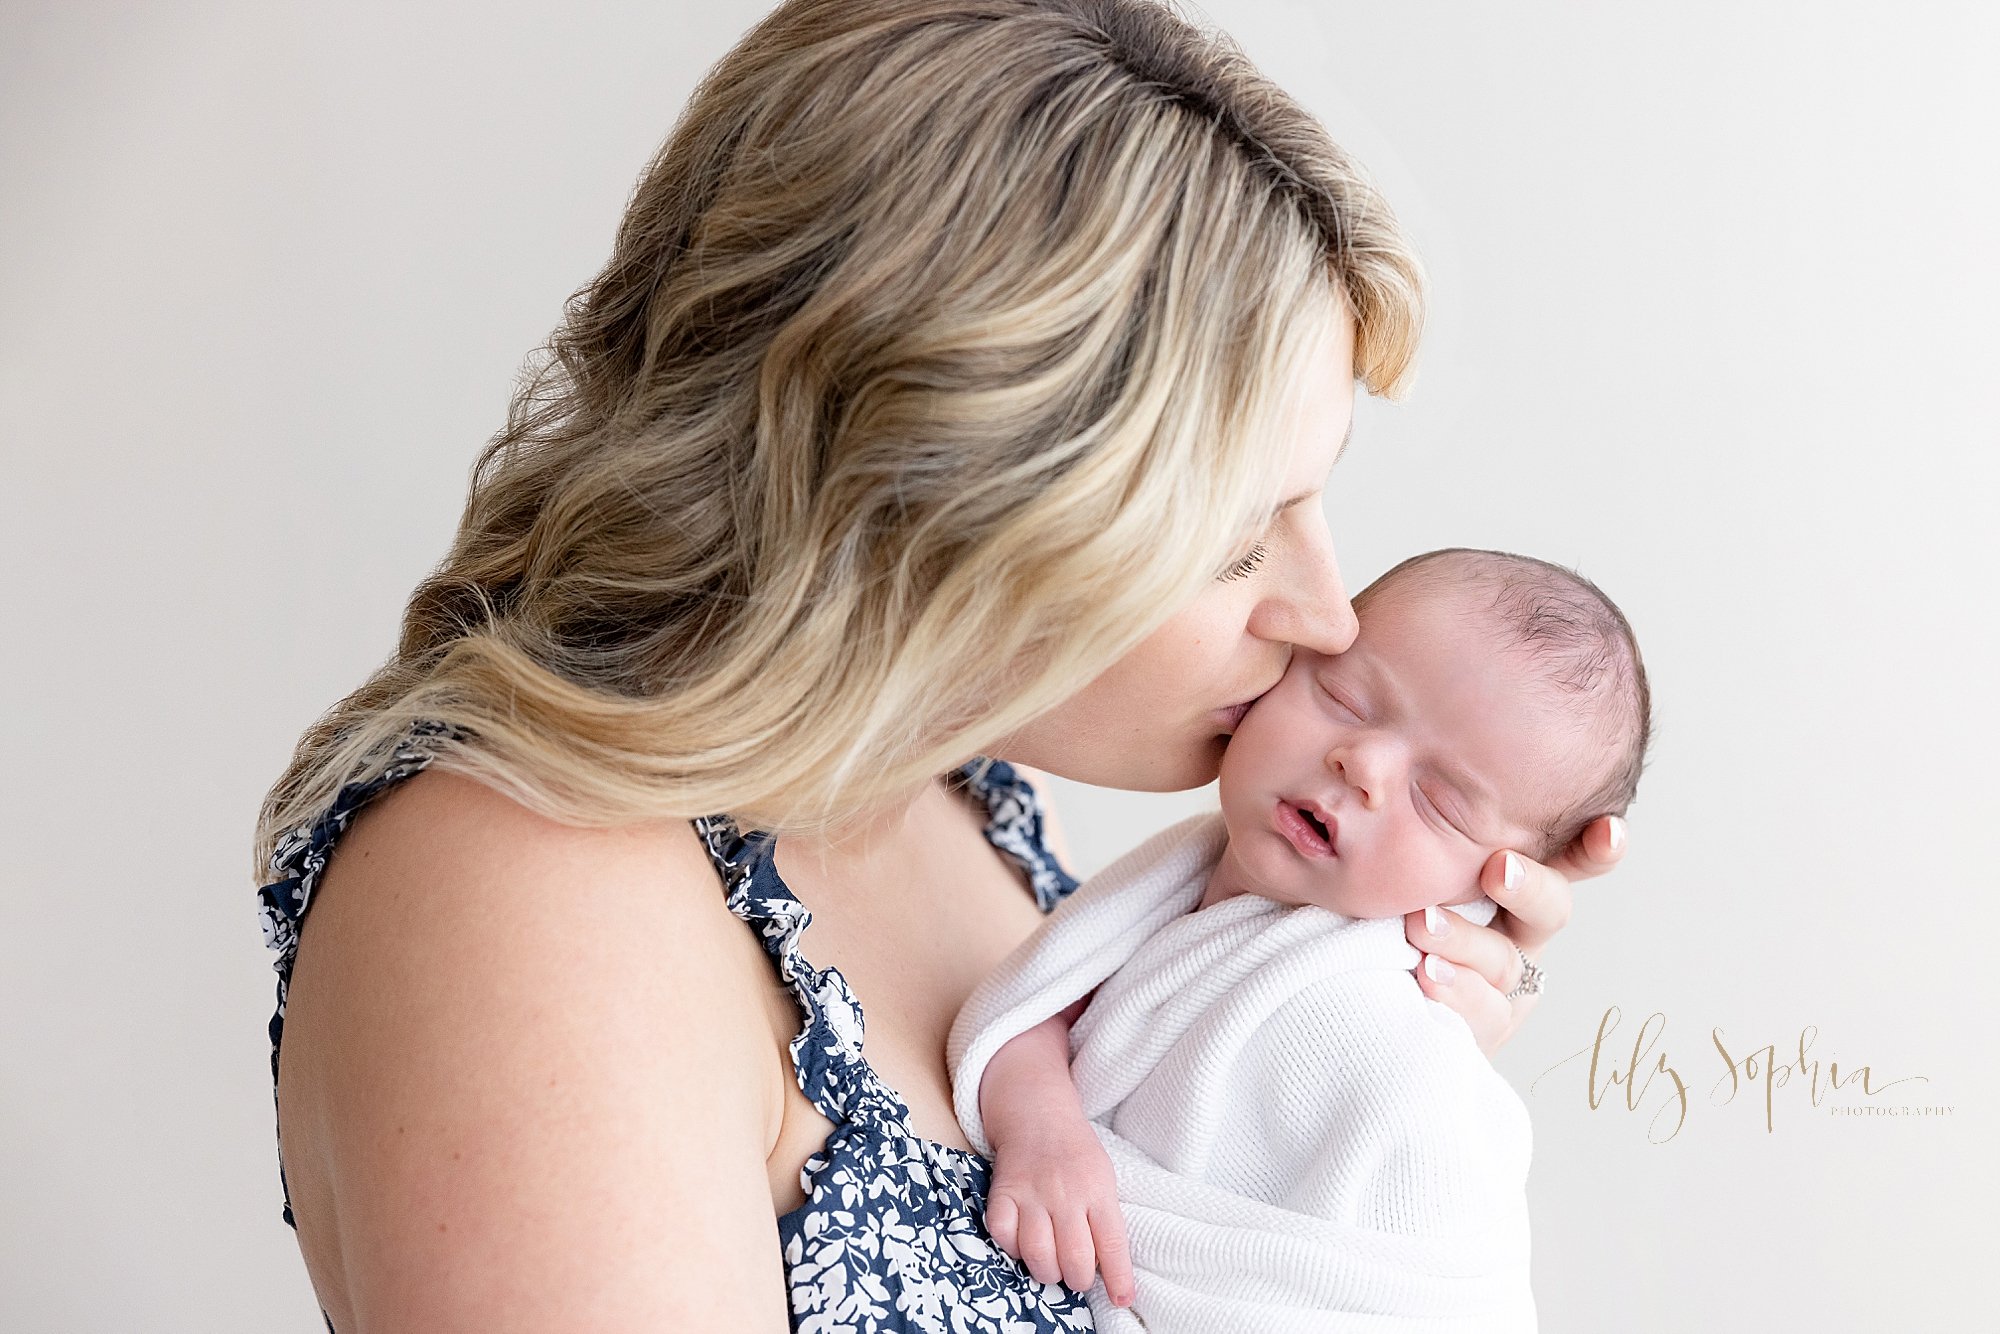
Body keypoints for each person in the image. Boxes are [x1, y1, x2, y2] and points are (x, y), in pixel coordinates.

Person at [250, 3, 1625, 1330]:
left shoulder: (961, 795)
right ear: (940, 493)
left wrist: (1353, 1069)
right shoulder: (530, 894)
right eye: (1236, 537)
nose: (1328, 617)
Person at [951, 548, 1651, 1331]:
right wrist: (1043, 1129)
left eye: (1442, 803)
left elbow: (1440, 1292)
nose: (1363, 767)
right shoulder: (1184, 878)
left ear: (1498, 877)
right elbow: (1034, 1007)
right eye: (1347, 699)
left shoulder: (1403, 1061)